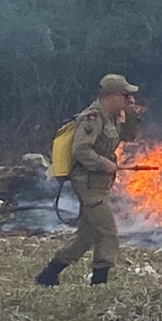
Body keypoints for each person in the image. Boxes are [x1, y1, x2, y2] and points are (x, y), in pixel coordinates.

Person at [35, 74, 144, 286]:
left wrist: (131, 114)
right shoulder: (92, 118)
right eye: (125, 95)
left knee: (87, 235)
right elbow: (80, 150)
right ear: (112, 95)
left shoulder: (111, 117)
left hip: (100, 185)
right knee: (108, 233)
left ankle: (49, 274)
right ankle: (99, 284)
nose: (128, 99)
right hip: (88, 184)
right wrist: (104, 163)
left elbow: (129, 137)